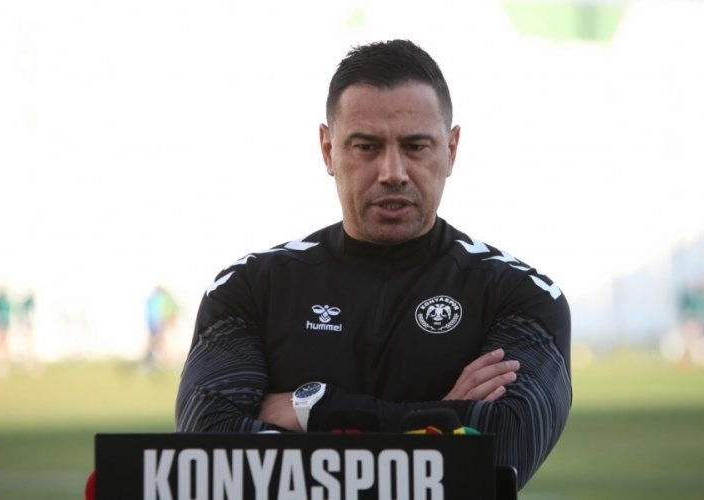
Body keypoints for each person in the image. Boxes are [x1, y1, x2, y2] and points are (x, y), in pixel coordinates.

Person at [176, 39, 571, 490]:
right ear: (328, 150)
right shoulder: (252, 287)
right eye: (366, 146)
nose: (392, 172)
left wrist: (312, 409)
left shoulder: (516, 294)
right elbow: (211, 454)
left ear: (451, 148)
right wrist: (438, 423)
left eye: (416, 146)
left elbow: (501, 452)